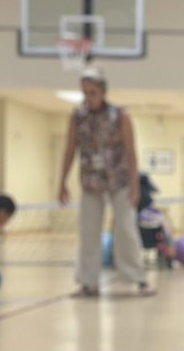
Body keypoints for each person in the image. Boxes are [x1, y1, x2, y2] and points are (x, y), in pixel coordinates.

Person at [57, 65, 154, 298]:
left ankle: (138, 279)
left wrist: (134, 186)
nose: (88, 97)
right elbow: (70, 149)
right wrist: (61, 182)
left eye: (92, 92)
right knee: (88, 231)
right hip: (90, 181)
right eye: (85, 92)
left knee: (126, 228)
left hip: (119, 181)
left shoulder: (120, 116)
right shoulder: (77, 116)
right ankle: (88, 282)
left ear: (103, 92)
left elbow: (131, 152)